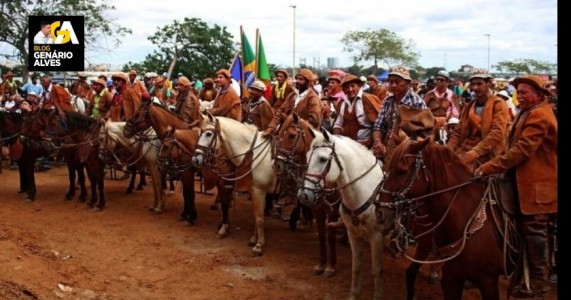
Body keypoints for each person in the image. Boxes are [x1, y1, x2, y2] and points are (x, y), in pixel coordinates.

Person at [474, 75, 557, 298]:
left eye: (525, 92)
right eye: (518, 92)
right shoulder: (526, 111)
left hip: (539, 184)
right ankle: (519, 271)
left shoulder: (540, 115)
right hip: (520, 178)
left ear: (539, 95)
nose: (519, 96)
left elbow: (521, 150)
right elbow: (512, 147)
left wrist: (490, 166)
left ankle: (539, 282)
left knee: (533, 227)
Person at [446, 69, 510, 172]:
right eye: (473, 84)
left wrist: (475, 152)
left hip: (487, 153)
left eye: (479, 84)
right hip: (464, 149)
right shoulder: (469, 106)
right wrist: (447, 150)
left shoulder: (499, 104)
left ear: (488, 84)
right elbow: (457, 132)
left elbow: (497, 133)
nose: (475, 88)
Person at [371, 66, 429, 161]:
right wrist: (378, 142)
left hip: (409, 152)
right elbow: (378, 126)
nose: (393, 85)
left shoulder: (417, 102)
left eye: (397, 82)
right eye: (391, 82)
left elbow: (424, 133)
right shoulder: (388, 101)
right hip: (386, 148)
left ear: (408, 84)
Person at [262, 68, 322, 136]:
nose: (297, 81)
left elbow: (314, 122)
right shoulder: (292, 95)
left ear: (308, 82)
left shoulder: (313, 98)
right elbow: (280, 111)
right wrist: (271, 127)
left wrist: (290, 120)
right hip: (286, 130)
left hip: (304, 135)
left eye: (301, 79)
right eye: (297, 79)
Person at [332, 74, 382, 148]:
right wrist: (336, 140)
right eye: (347, 87)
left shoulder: (368, 99)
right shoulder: (342, 103)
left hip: (367, 146)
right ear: (344, 89)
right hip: (347, 146)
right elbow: (338, 124)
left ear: (359, 86)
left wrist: (370, 141)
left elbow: (379, 125)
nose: (350, 89)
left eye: (353, 86)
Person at [423, 70, 460, 142]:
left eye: (442, 80)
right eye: (437, 79)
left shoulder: (452, 95)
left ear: (447, 82)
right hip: (430, 124)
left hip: (446, 124)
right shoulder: (429, 94)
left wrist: (447, 122)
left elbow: (455, 113)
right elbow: (423, 109)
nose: (439, 81)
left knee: (444, 142)